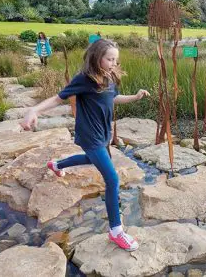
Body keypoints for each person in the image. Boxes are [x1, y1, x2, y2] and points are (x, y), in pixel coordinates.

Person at [20, 38, 150, 251]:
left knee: (91, 160)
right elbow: (58, 98)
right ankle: (116, 231)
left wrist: (135, 97)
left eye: (116, 60)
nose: (113, 63)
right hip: (90, 135)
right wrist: (34, 110)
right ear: (96, 57)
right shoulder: (84, 79)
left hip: (103, 133)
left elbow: (113, 98)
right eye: (109, 59)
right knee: (112, 179)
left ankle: (57, 165)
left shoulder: (109, 77)